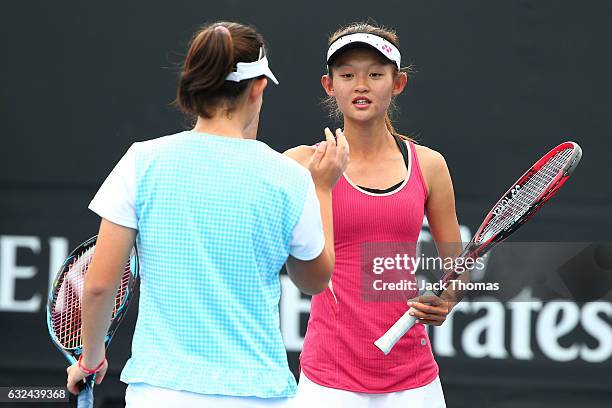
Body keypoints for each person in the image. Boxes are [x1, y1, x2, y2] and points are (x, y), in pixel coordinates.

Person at [65, 21, 348, 407]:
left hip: (160, 393)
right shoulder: (290, 178)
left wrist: (91, 358)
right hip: (257, 394)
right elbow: (313, 280)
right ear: (258, 87)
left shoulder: (142, 161)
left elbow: (98, 285)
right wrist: (322, 189)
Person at [284, 22, 462, 407]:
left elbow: (456, 268)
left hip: (414, 381)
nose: (361, 85)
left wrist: (446, 300)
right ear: (329, 86)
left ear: (398, 83)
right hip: (328, 381)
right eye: (347, 75)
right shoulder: (300, 164)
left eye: (375, 74)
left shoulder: (429, 165)